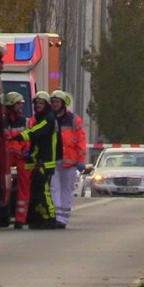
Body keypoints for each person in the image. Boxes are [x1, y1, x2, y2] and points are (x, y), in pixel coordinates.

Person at [14, 90, 59, 229]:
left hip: (45, 162)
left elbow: (35, 132)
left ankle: (50, 218)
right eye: (36, 103)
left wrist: (19, 136)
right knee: (37, 191)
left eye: (40, 103)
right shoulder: (41, 118)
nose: (37, 106)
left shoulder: (48, 118)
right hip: (38, 161)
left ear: (46, 105)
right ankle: (39, 218)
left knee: (44, 191)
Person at [49, 89, 87, 229]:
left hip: (69, 161)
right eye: (53, 102)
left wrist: (81, 159)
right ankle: (57, 216)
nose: (54, 104)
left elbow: (81, 141)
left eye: (57, 102)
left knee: (66, 189)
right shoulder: (49, 117)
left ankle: (63, 218)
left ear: (63, 103)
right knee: (54, 188)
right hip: (53, 160)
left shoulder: (73, 119)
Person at [3, 92, 31, 229]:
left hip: (21, 157)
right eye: (18, 103)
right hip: (7, 157)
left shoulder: (24, 121)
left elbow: (28, 140)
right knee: (3, 186)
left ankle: (21, 219)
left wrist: (26, 151)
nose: (21, 106)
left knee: (24, 186)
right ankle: (4, 215)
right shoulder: (2, 121)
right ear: (11, 104)